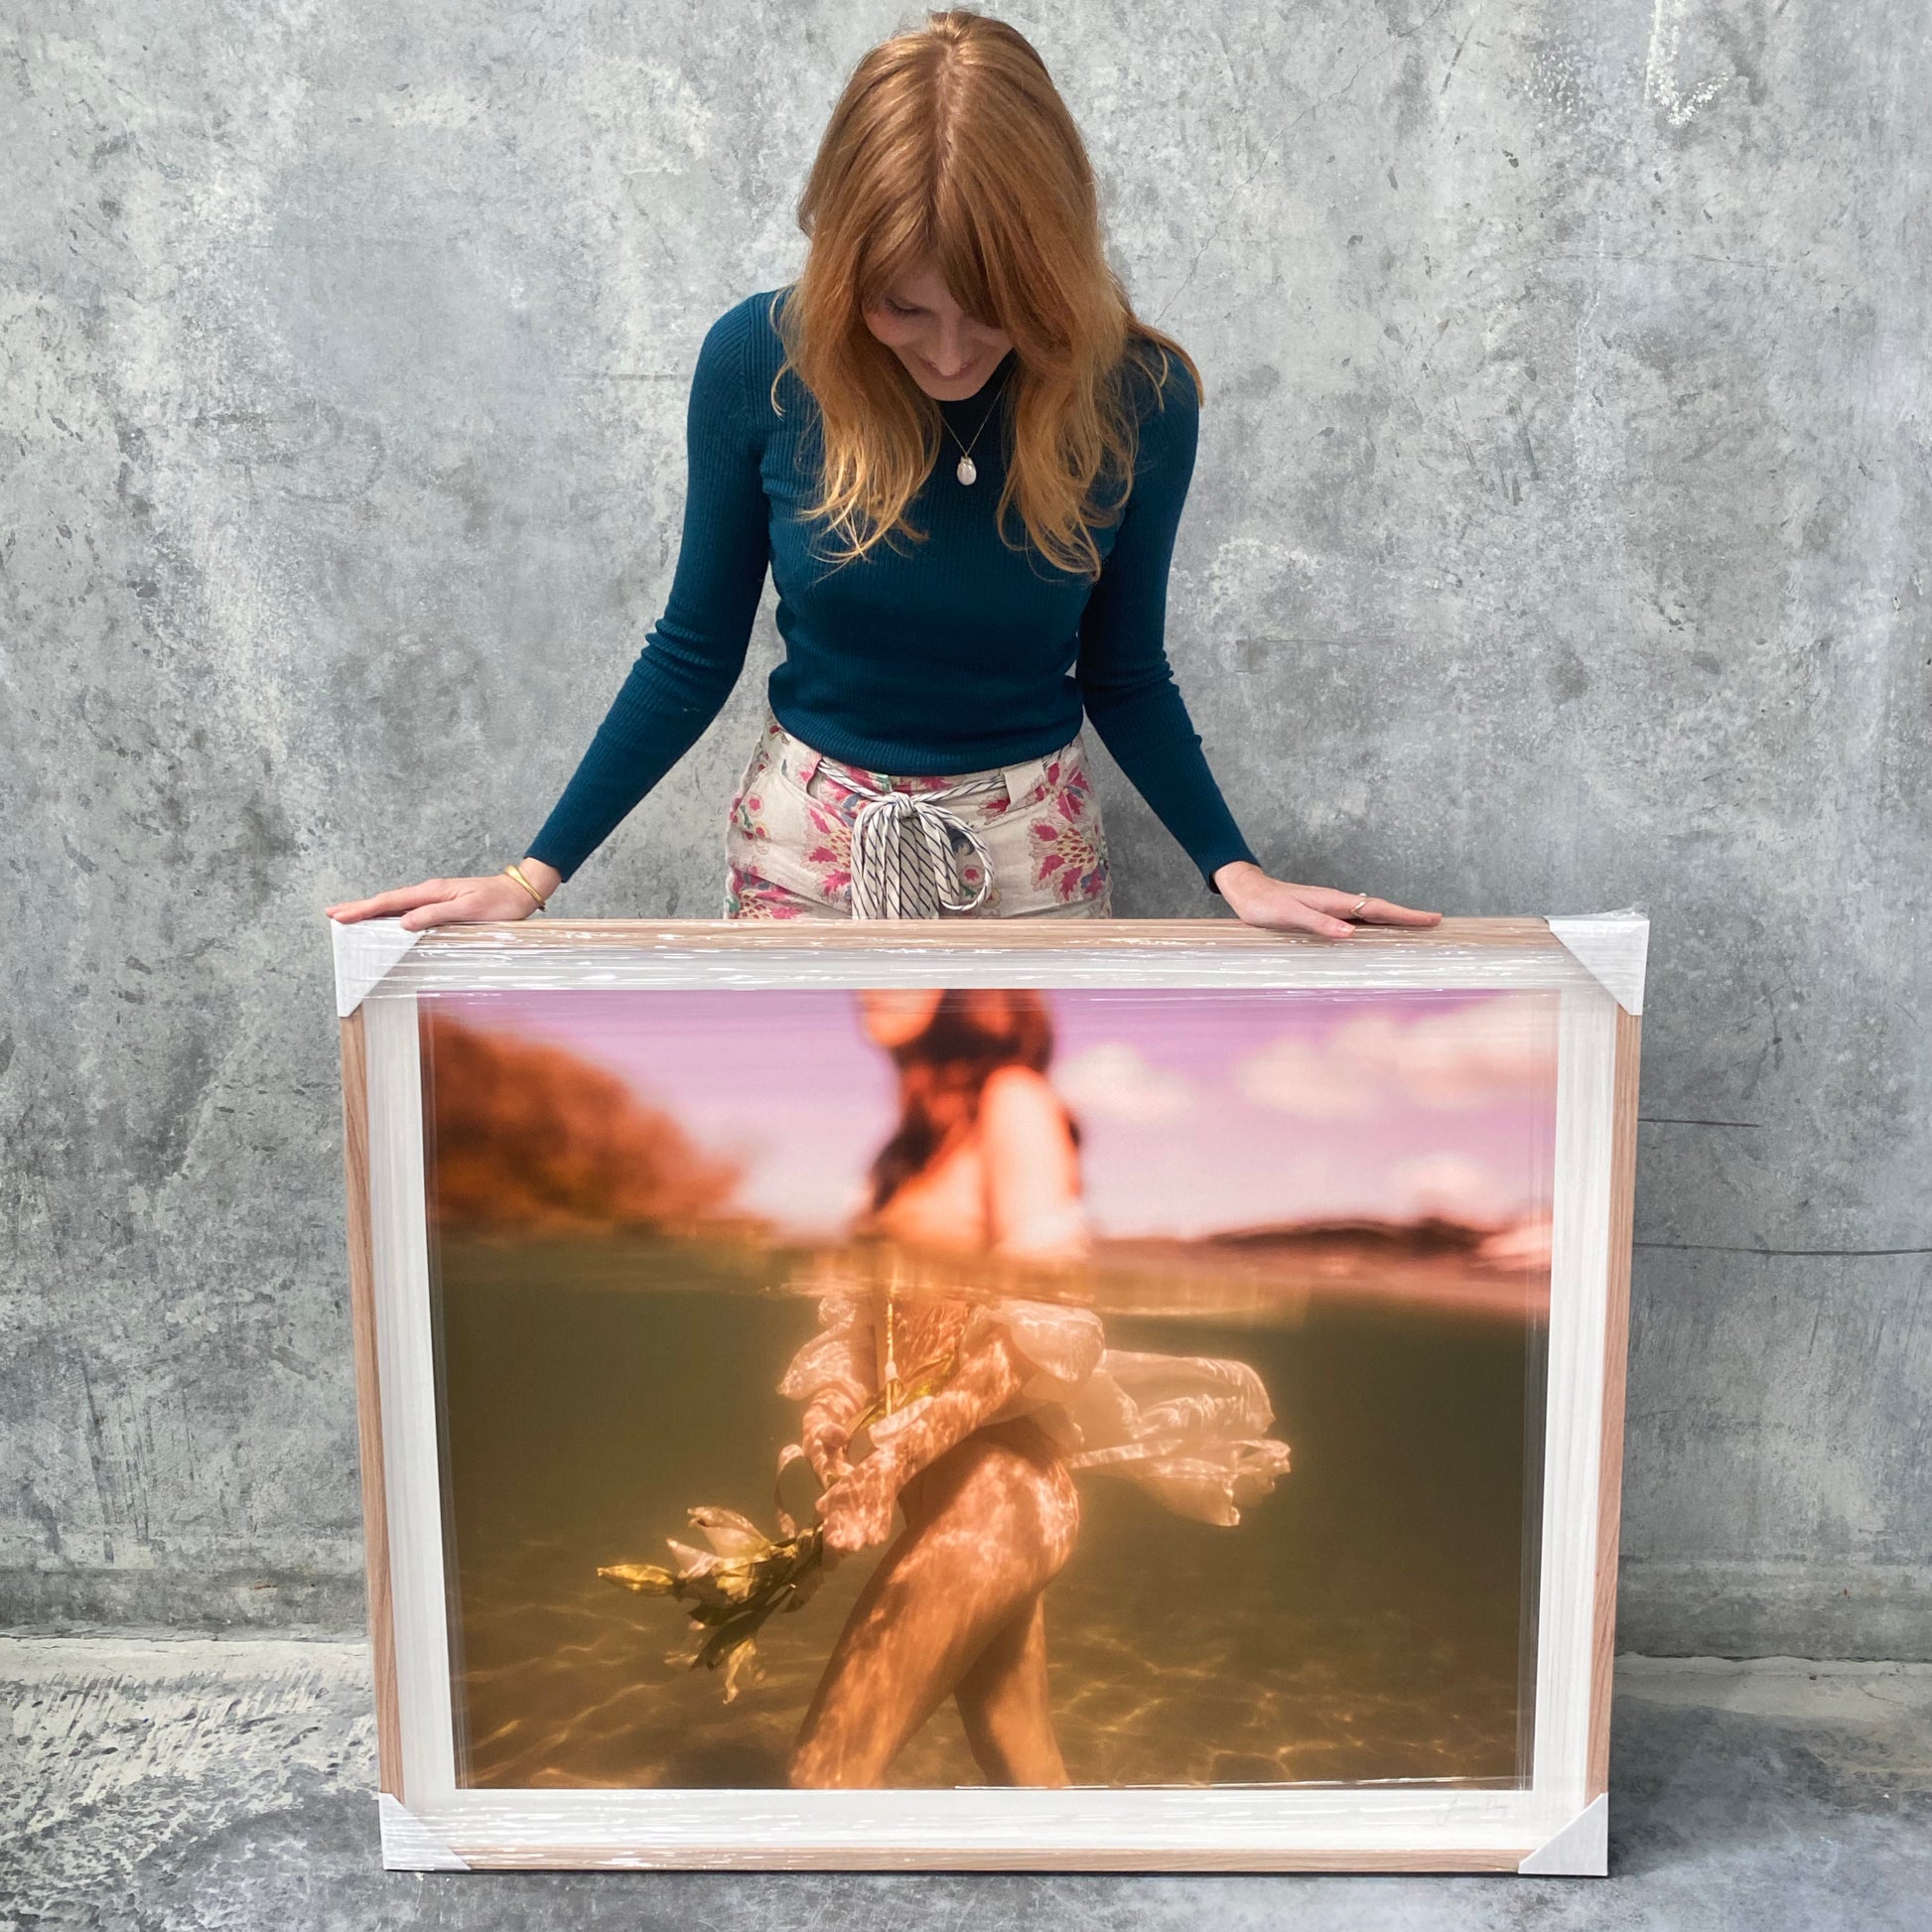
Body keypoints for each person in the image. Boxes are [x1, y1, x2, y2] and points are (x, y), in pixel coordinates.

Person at [325, 12, 1441, 939]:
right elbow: (694, 650)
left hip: (1035, 861)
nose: (949, 357)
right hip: (802, 858)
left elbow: (1125, 672)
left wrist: (1234, 871)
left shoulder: (1139, 395)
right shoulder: (759, 361)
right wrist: (529, 878)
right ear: (842, 263)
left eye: (993, 314)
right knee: (796, 1145)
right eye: (902, 309)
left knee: (1018, 1150)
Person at [779, 988, 1292, 1788]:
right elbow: (867, 1337)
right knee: (1021, 1760)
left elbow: (1042, 1323)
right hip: (956, 1501)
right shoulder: (909, 1149)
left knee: (824, 1777)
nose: (871, 979)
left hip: (1002, 1498)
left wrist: (891, 1462)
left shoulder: (1012, 1102)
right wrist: (831, 1422)